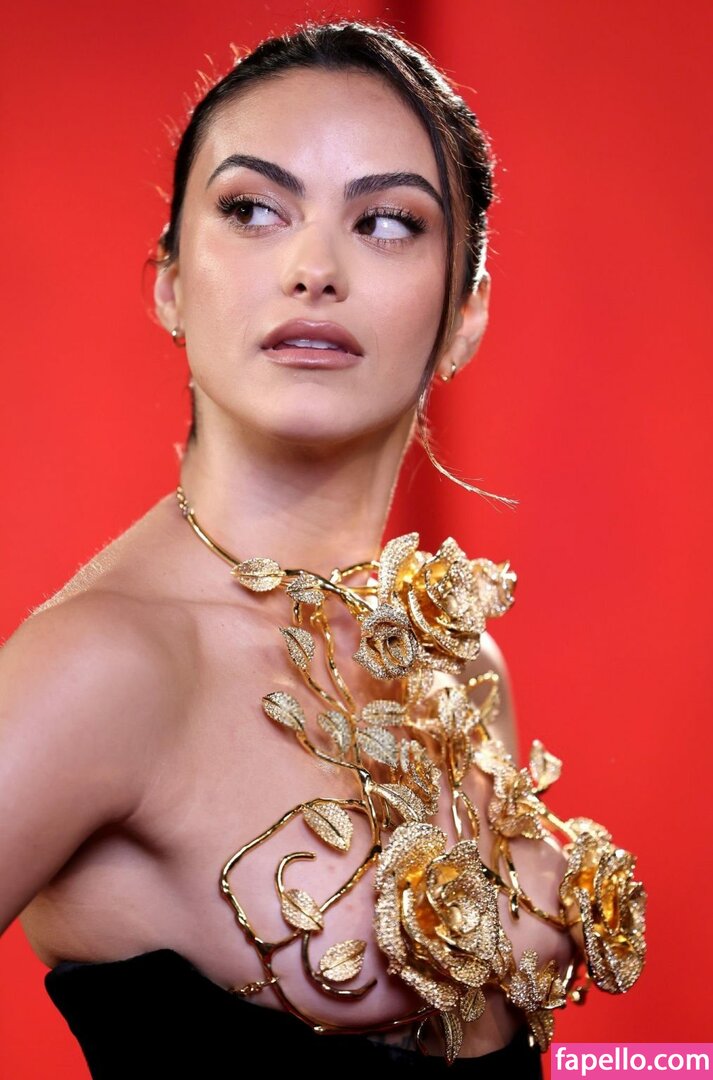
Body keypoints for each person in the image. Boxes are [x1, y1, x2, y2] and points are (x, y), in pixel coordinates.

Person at [0, 19, 646, 1077]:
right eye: (252, 209)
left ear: (465, 313)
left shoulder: (457, 667)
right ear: (169, 280)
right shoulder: (106, 666)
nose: (313, 268)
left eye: (387, 223)